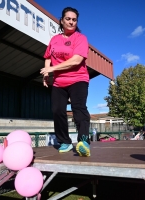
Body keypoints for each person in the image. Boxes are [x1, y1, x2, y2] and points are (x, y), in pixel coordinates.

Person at [40, 7, 91, 157]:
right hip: (59, 82)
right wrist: (46, 73)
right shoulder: (54, 40)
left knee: (78, 108)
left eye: (74, 19)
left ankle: (83, 141)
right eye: (68, 19)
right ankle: (65, 142)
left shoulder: (80, 38)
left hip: (78, 78)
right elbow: (48, 56)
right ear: (62, 20)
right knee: (57, 110)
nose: (71, 22)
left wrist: (52, 69)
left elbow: (76, 60)